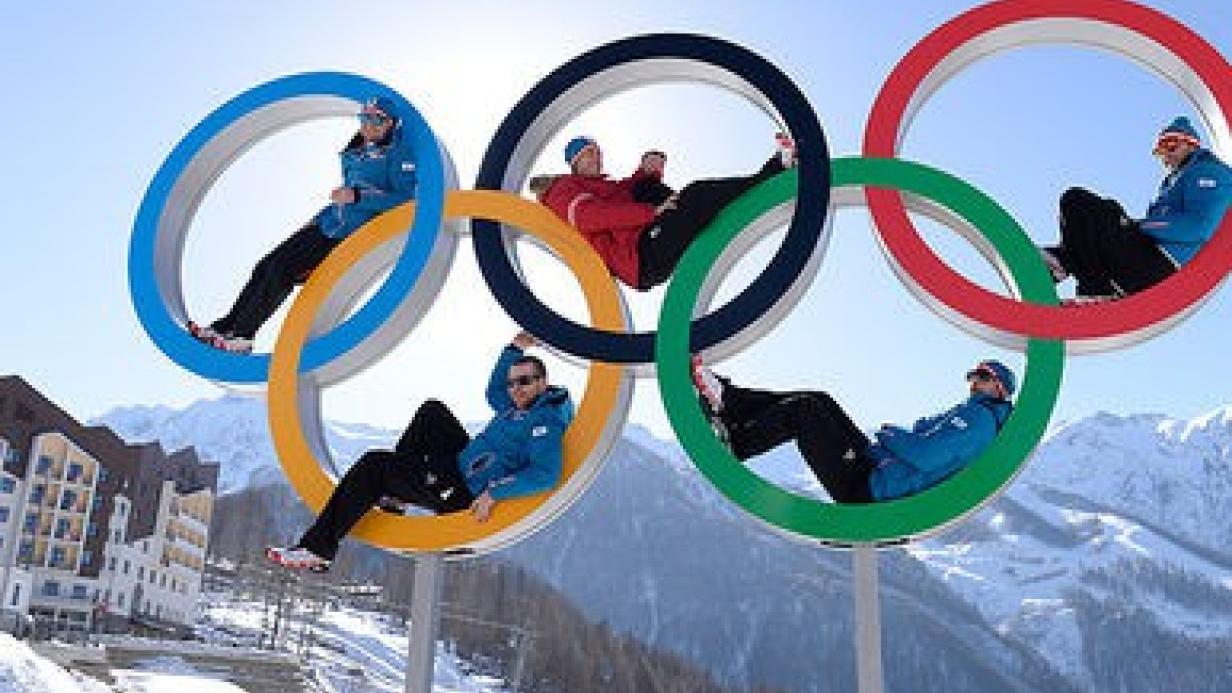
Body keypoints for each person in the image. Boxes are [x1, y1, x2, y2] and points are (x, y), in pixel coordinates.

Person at [266, 332, 572, 571]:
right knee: (433, 412)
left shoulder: (544, 421)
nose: (515, 388)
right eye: (513, 383)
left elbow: (545, 474)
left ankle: (318, 550)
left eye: (524, 382)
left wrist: (494, 493)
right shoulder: (517, 406)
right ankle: (395, 496)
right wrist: (513, 349)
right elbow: (494, 391)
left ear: (543, 383)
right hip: (462, 464)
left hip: (464, 491)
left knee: (375, 465)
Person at [189, 96, 419, 353]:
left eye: (378, 119)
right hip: (329, 225)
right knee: (266, 265)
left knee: (282, 271)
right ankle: (225, 328)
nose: (369, 124)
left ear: (391, 124)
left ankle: (243, 337)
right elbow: (344, 199)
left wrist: (358, 196)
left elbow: (407, 200)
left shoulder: (398, 153)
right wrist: (317, 219)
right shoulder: (357, 152)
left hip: (351, 236)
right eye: (365, 117)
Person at [689, 357, 1015, 503]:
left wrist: (893, 436)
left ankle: (736, 442)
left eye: (982, 377)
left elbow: (927, 455)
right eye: (972, 376)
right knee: (819, 400)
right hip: (876, 467)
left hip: (870, 487)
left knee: (804, 412)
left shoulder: (979, 421)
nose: (973, 382)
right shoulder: (975, 415)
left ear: (999, 388)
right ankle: (728, 400)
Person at [532, 133, 797, 291]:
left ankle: (696, 212)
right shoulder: (562, 188)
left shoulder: (601, 186)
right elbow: (589, 217)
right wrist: (652, 213)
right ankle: (776, 168)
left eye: (598, 153)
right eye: (590, 153)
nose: (598, 158)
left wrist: (648, 168)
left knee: (652, 187)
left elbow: (627, 190)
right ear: (575, 160)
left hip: (643, 241)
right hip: (640, 256)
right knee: (698, 194)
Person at [1039, 116, 1232, 304]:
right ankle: (1072, 270)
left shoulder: (1207, 171)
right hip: (1144, 260)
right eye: (1160, 151)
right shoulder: (1173, 181)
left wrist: (1140, 225)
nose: (1165, 155)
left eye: (1170, 145)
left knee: (1084, 203)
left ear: (1191, 144)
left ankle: (1073, 271)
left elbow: (1198, 226)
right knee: (1083, 209)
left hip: (1159, 262)